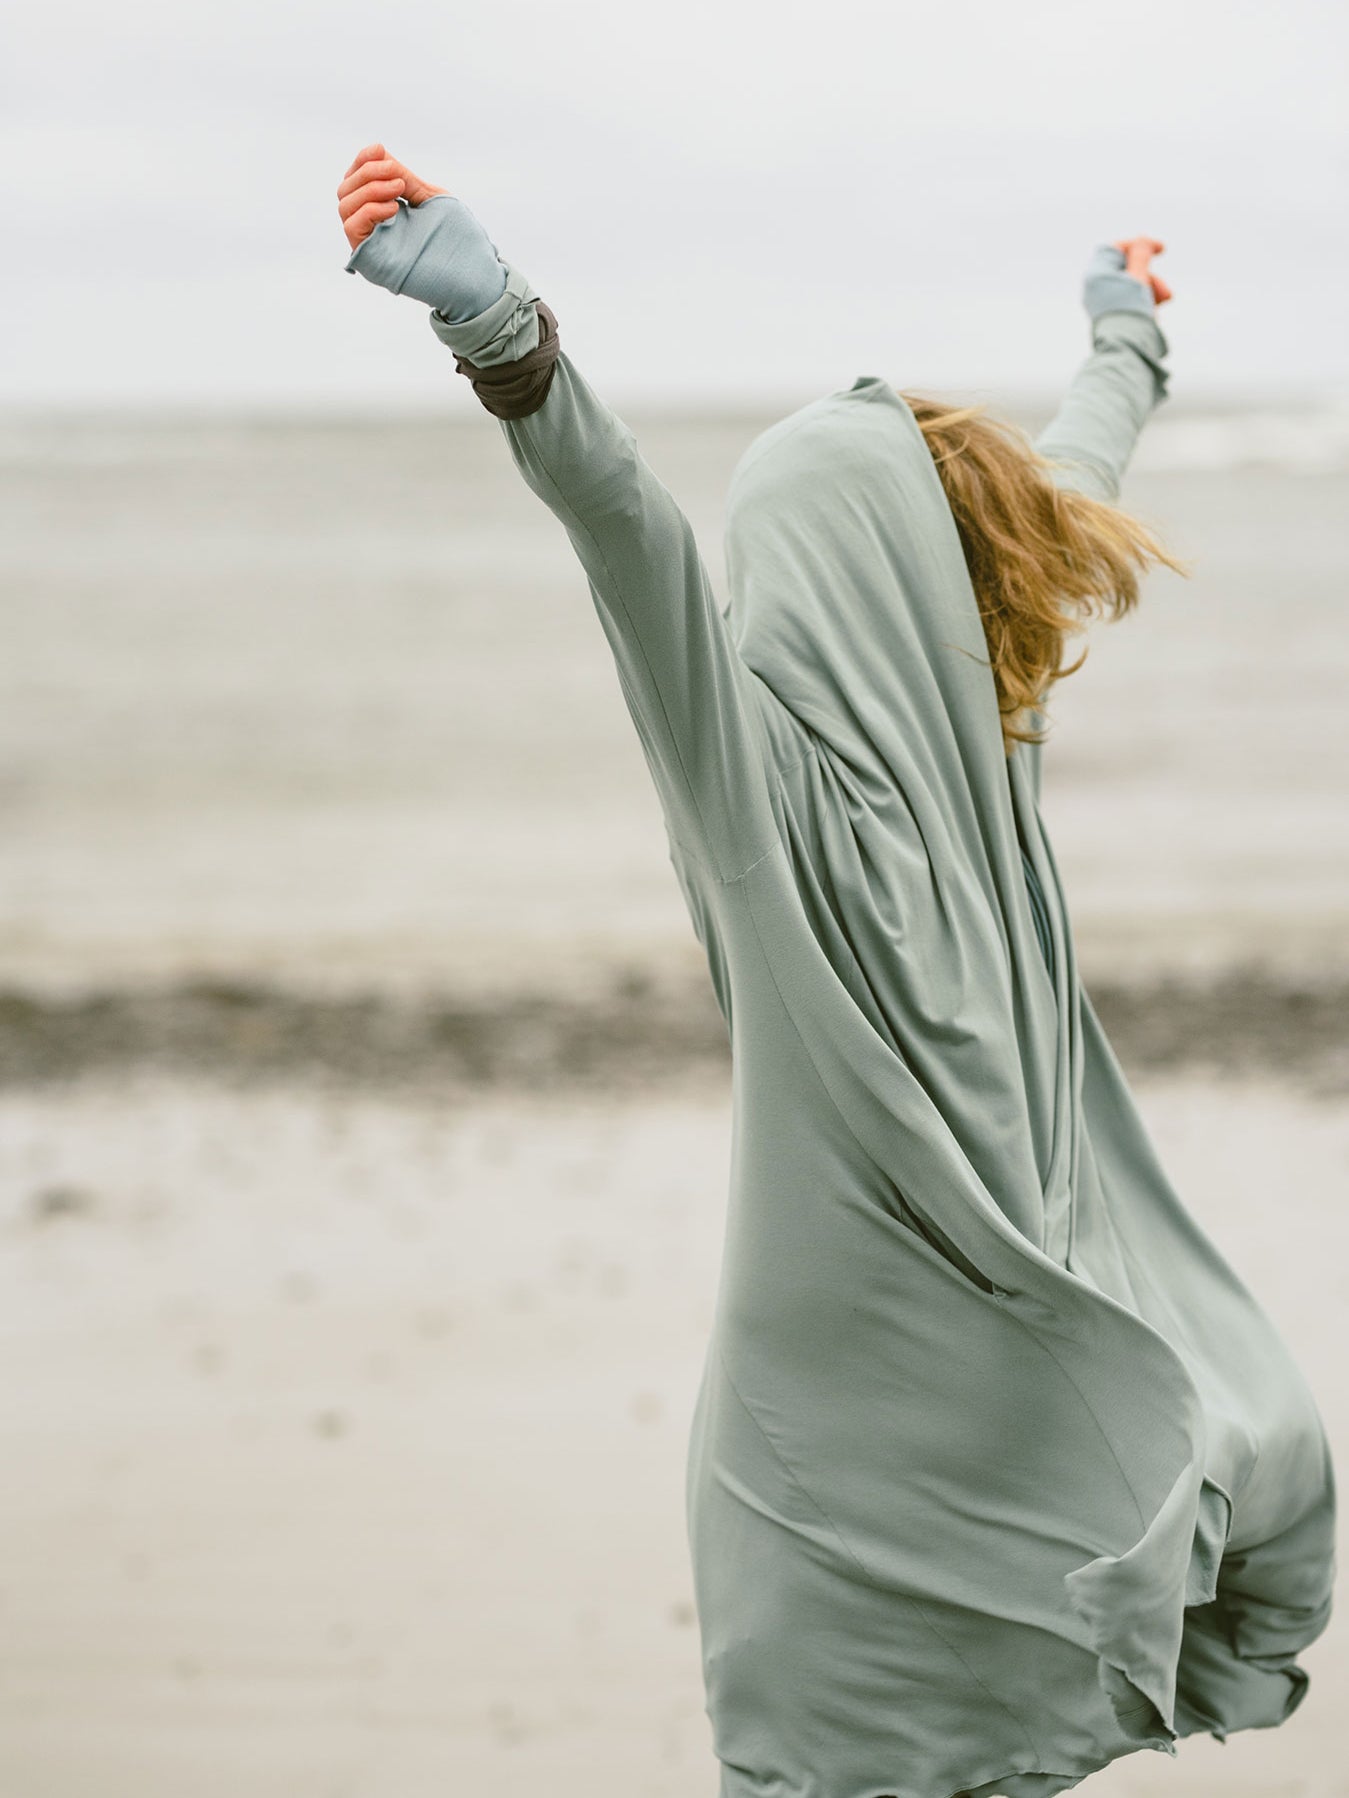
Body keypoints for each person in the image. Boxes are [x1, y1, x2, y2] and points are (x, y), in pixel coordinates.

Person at [337, 144, 1337, 1798]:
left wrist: (506, 333)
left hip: (824, 1440)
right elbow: (1065, 483)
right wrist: (1124, 335)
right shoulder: (986, 748)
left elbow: (620, 525)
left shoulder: (760, 791)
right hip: (1025, 1409)